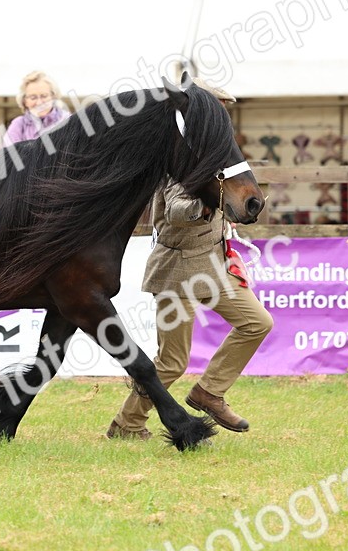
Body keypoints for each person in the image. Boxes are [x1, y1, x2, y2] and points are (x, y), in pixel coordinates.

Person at [107, 80, 273, 439]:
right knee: (172, 362)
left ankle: (209, 392)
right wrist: (205, 205)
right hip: (176, 271)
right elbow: (175, 209)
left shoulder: (220, 152)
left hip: (215, 264)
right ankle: (127, 424)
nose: (223, 116)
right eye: (218, 108)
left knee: (257, 323)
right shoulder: (178, 153)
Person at [3, 70, 70, 145]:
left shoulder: (67, 120)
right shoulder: (18, 124)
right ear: (24, 101)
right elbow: (9, 150)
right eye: (33, 97)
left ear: (53, 96)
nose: (39, 103)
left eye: (44, 96)